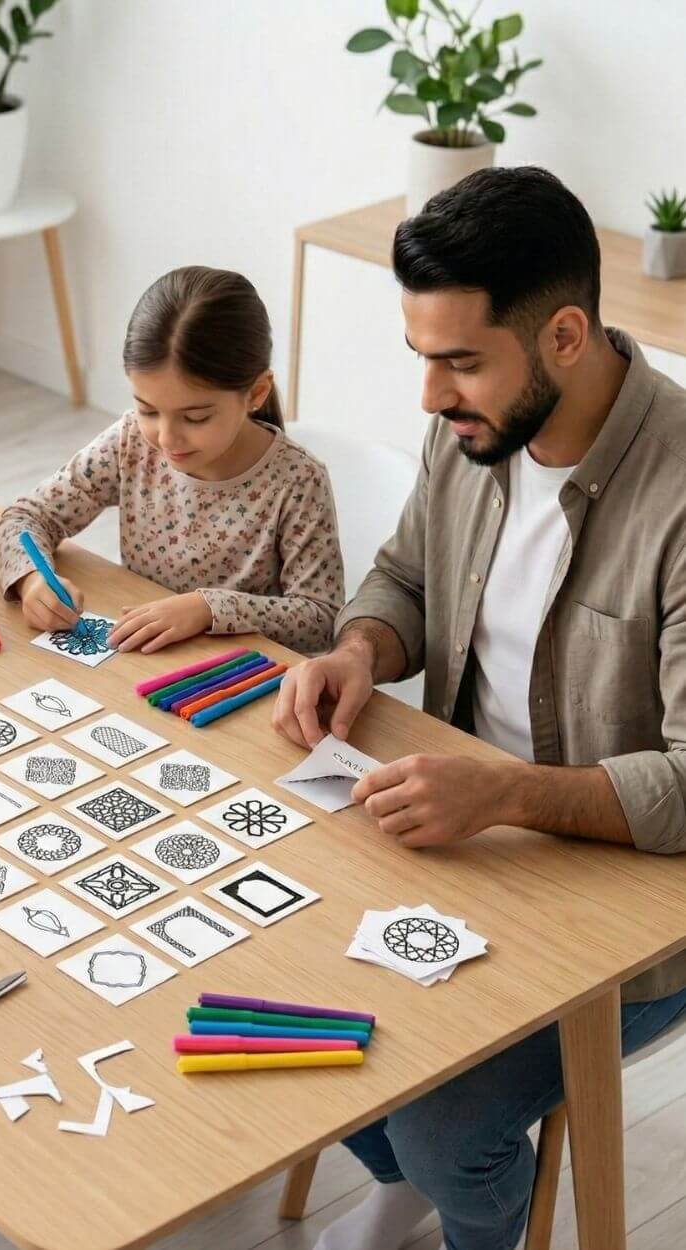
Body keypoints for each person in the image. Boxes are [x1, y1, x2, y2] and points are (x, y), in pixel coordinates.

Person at [271, 167, 686, 1250]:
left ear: (561, 335)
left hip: (625, 905)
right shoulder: (470, 431)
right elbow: (404, 576)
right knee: (254, 980)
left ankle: (458, 1198)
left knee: (444, 1118)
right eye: (421, 357)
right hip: (451, 838)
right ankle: (410, 1174)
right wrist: (360, 647)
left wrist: (502, 789)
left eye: (458, 362)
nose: (428, 396)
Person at [0, 266, 344, 654]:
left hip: (231, 679)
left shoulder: (297, 480)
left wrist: (206, 608)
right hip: (139, 661)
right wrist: (32, 581)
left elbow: (320, 620)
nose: (166, 438)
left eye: (195, 418)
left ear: (256, 392)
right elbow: (25, 518)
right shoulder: (130, 442)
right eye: (147, 410)